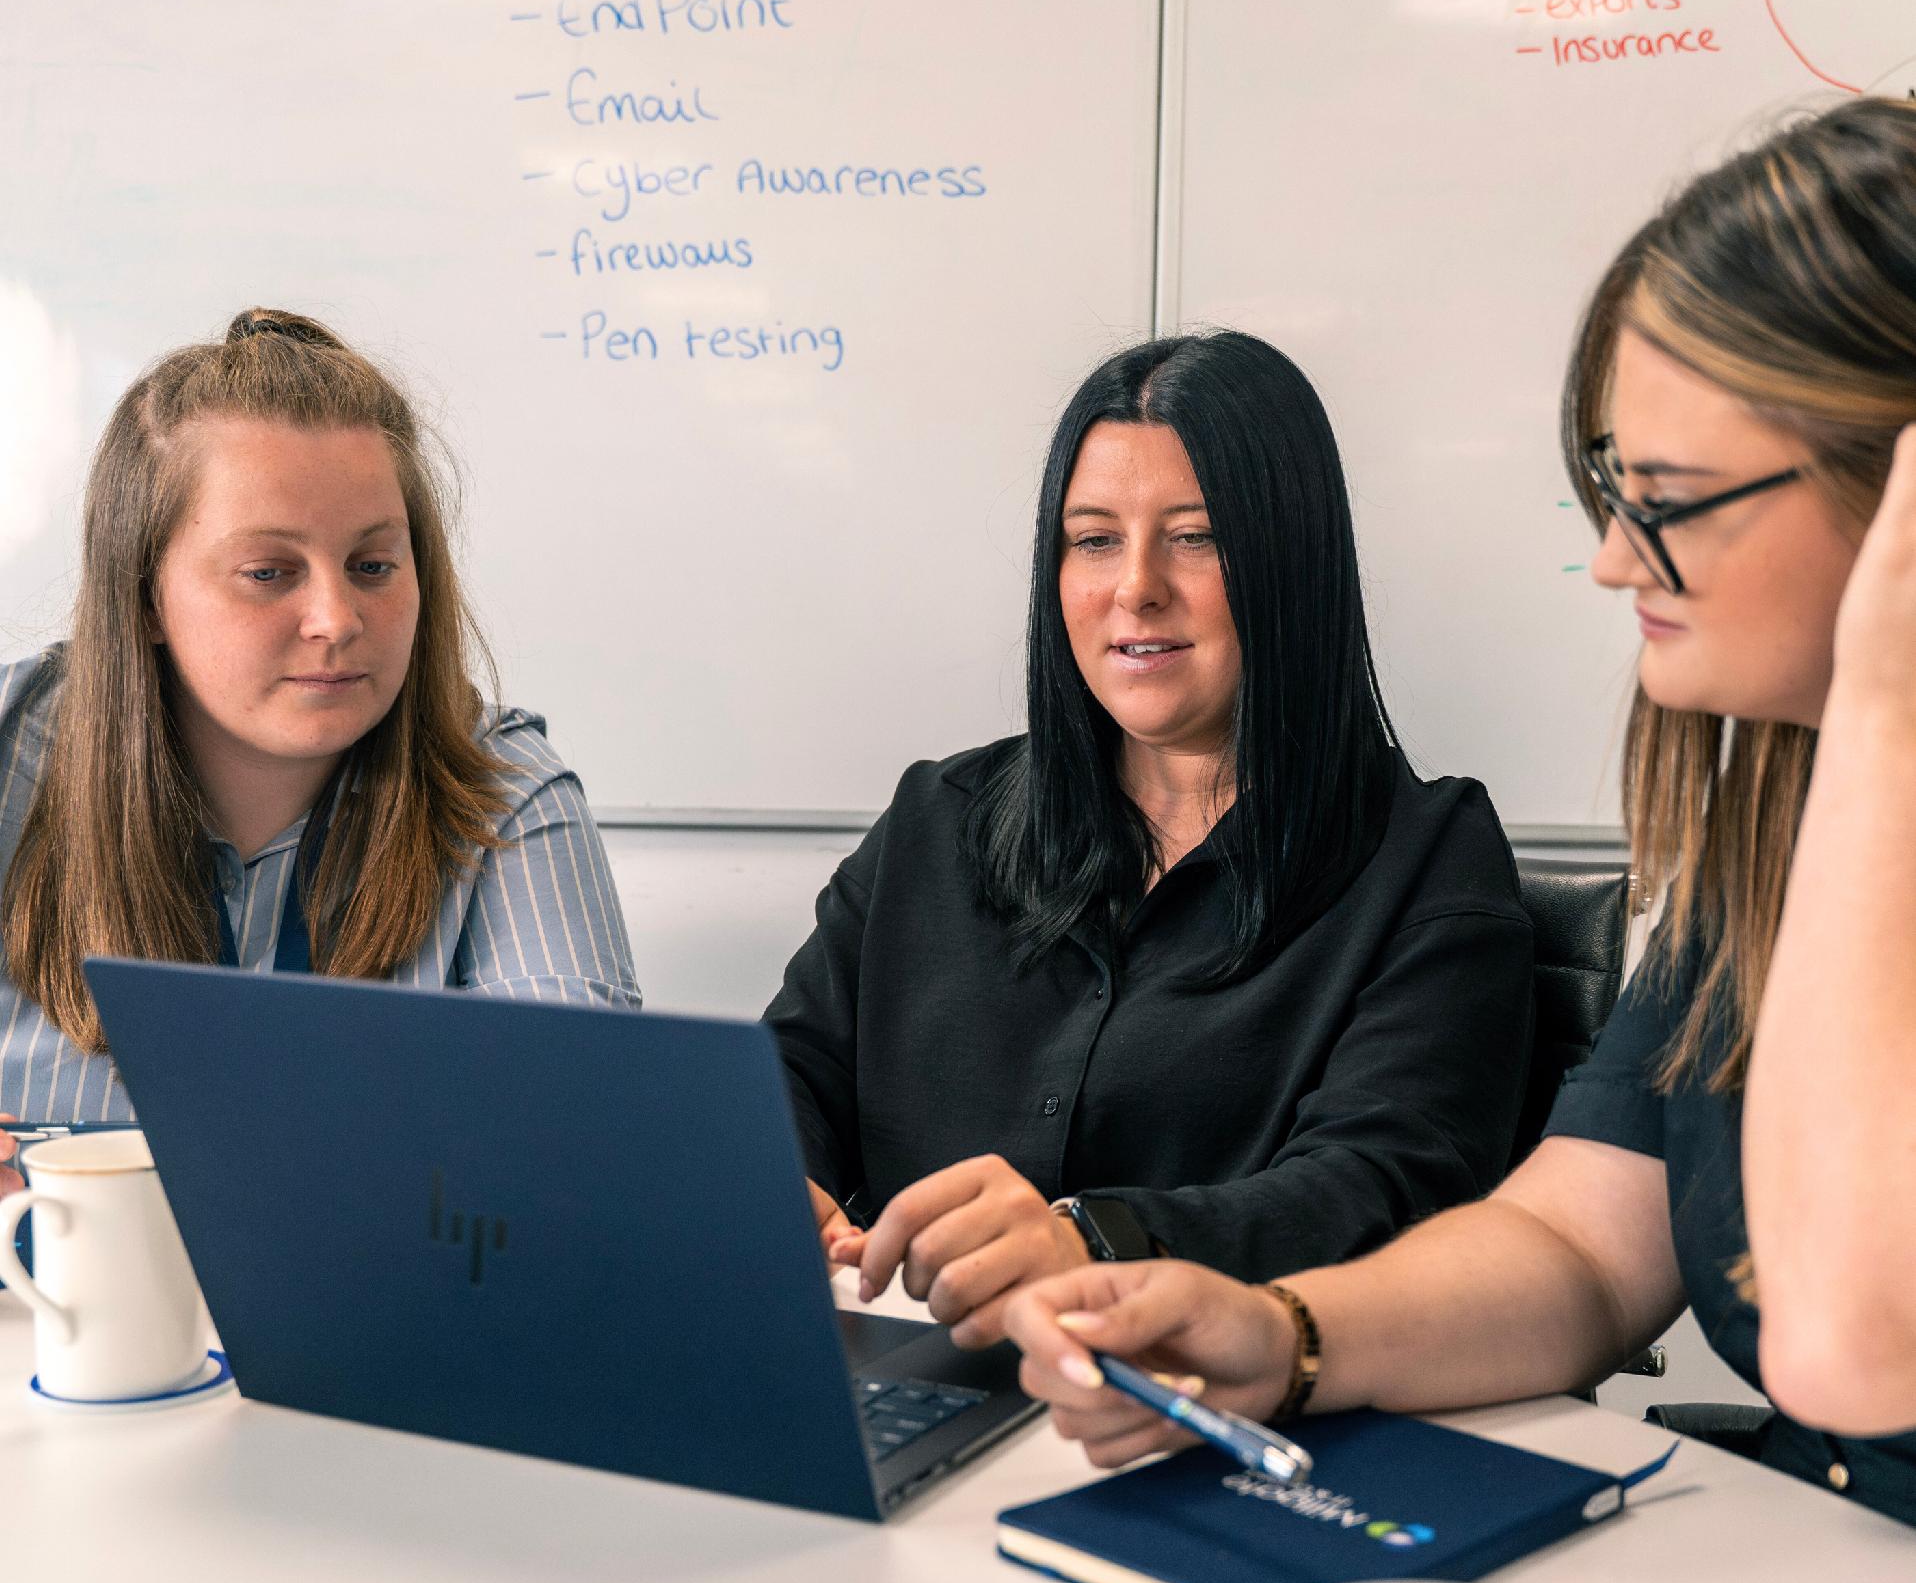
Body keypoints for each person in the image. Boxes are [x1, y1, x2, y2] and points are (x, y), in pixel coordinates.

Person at [1006, 98, 1916, 1528]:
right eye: (1613, 490)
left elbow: (1851, 1343)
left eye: (1668, 498)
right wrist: (1288, 1339)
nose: (1617, 561)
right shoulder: (1775, 835)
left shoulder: (1854, 785)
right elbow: (1579, 1249)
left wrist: (1888, 705)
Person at [766, 330, 1534, 1348]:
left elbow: (1377, 1188)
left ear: (1288, 560)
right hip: (905, 1385)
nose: (1133, 587)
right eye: (1091, 538)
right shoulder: (935, 819)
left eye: (1195, 536)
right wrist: (776, 1180)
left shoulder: (1425, 861)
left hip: (1212, 1415)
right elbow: (788, 1067)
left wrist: (1089, 1241)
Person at [0, 307, 640, 1130]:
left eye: (373, 565)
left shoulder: (504, 790)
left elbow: (581, 1133)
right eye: (268, 573)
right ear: (144, 593)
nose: (336, 620)